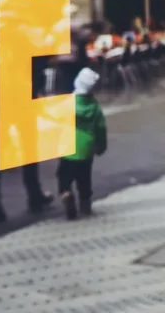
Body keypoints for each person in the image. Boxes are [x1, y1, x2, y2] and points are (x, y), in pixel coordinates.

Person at [0, 0, 54, 224]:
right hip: (20, 89)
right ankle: (34, 195)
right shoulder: (19, 27)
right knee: (28, 143)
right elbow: (41, 54)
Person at [58, 68, 107, 220]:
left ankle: (66, 193)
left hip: (67, 147)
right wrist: (100, 146)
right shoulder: (94, 106)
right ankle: (85, 205)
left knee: (63, 175)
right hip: (86, 149)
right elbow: (101, 128)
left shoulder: (67, 103)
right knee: (84, 178)